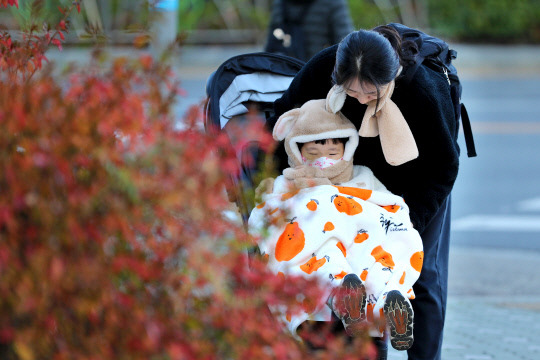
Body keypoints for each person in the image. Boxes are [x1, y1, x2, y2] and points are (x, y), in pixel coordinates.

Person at [266, 25, 460, 360]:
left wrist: (404, 221)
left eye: (370, 93)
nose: (360, 99)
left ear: (391, 78)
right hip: (353, 180)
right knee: (356, 265)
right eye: (352, 92)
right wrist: (271, 187)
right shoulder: (321, 70)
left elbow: (443, 168)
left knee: (420, 275)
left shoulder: (423, 91)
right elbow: (280, 126)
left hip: (417, 182)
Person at [249, 97, 424, 356]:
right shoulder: (288, 182)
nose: (324, 160)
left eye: (333, 154)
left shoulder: (362, 178)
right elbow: (267, 214)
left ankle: (388, 301)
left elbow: (388, 206)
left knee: (379, 258)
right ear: (296, 152)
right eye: (313, 153)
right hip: (316, 244)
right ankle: (345, 293)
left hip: (360, 243)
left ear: (347, 150)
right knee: (324, 253)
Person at [264, 0, 353, 62]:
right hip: (314, 76)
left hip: (281, 73)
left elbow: (270, 45)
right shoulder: (333, 2)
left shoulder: (280, 2)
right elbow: (347, 49)